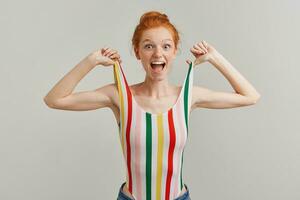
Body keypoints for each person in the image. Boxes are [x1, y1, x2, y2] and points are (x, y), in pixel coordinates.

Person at [44, 10, 260, 200]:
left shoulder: (188, 96)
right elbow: (54, 99)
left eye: (166, 46)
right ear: (137, 52)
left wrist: (214, 57)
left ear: (175, 51)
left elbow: (250, 96)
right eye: (149, 46)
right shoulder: (119, 95)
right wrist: (91, 60)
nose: (158, 53)